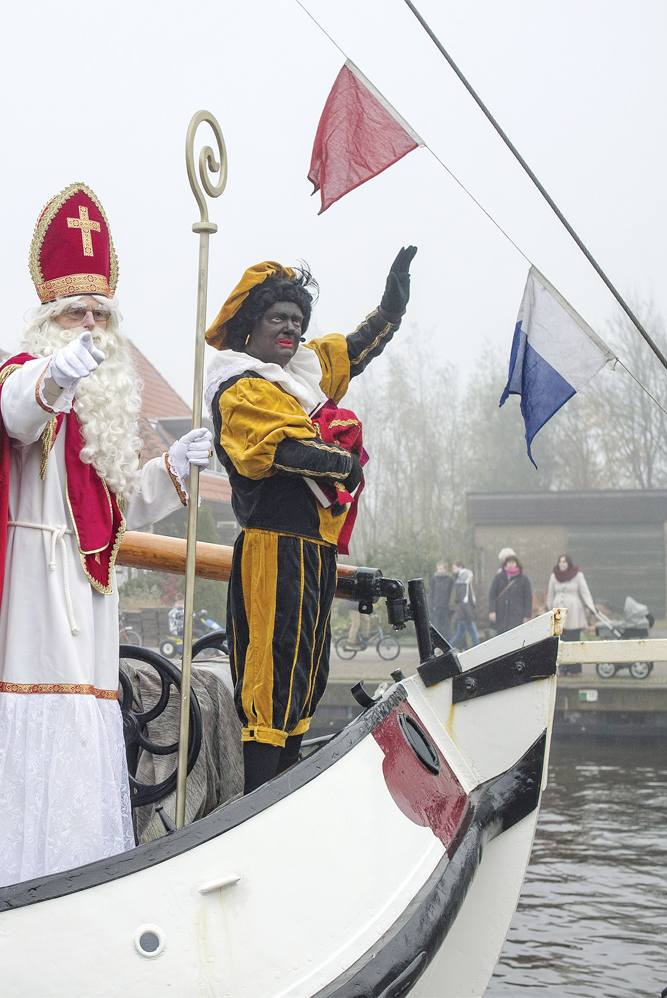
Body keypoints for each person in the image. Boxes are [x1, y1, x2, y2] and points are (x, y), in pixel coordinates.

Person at [0, 183, 213, 896]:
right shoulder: (27, 375)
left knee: (86, 720)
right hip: (33, 594)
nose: (91, 323)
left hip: (90, 597)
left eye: (101, 314)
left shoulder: (105, 412)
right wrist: (57, 374)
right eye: (77, 311)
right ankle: (12, 884)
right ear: (49, 321)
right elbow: (15, 413)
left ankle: (84, 877)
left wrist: (171, 466)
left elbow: (118, 508)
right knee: (37, 717)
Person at [200, 248, 416, 792]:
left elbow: (349, 351)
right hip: (274, 545)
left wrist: (389, 311)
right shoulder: (241, 385)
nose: (292, 329)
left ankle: (282, 786)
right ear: (251, 327)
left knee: (306, 673)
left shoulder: (296, 374)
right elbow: (279, 449)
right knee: (272, 674)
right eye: (279, 319)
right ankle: (255, 799)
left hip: (313, 548)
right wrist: (344, 460)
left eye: (298, 320)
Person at [489, 547, 533, 634]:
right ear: (505, 564)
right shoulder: (499, 577)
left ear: (517, 564)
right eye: (509, 562)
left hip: (517, 616)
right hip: (501, 616)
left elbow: (528, 597)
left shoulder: (523, 579)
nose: (511, 564)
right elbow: (492, 594)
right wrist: (492, 610)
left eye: (513, 562)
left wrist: (527, 615)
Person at [449, 560, 479, 649]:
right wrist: (470, 615)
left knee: (459, 635)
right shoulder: (463, 587)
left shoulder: (462, 585)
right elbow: (464, 603)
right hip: (465, 615)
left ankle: (448, 648)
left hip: (462, 614)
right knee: (473, 634)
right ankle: (478, 648)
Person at [429, 560, 453, 641]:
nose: (439, 571)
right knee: (437, 627)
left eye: (441, 569)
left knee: (447, 627)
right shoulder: (434, 579)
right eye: (438, 569)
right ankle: (437, 643)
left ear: (446, 569)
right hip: (437, 606)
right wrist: (431, 606)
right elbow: (431, 594)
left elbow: (451, 593)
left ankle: (449, 644)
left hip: (446, 607)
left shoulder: (449, 580)